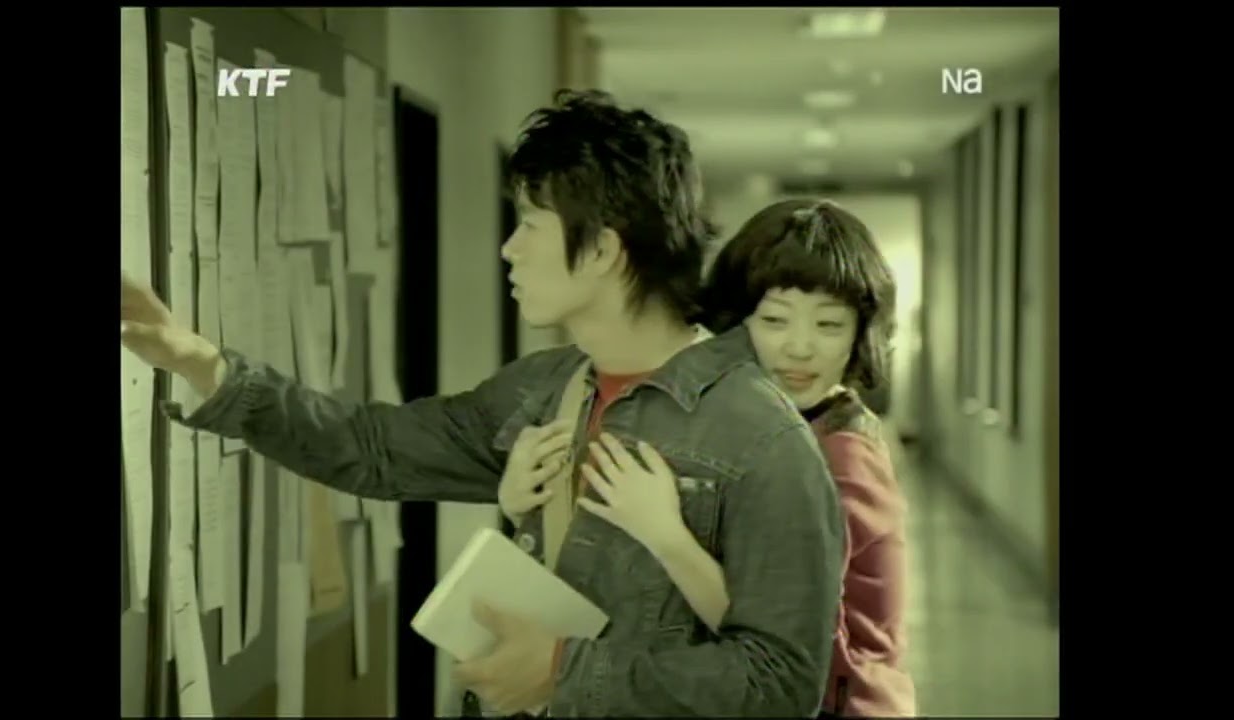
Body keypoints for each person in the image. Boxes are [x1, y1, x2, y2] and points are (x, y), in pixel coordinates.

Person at [121, 90, 845, 718]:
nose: (508, 249)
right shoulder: (541, 390)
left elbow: (781, 684)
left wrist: (564, 671)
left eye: (529, 223)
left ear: (601, 252)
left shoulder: (760, 437)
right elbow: (370, 448)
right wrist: (203, 365)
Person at [503, 197, 917, 717]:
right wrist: (526, 507)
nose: (800, 347)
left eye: (829, 325)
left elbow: (782, 649)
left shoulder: (839, 457)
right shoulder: (755, 424)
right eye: (774, 320)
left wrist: (666, 535)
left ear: (860, 335)